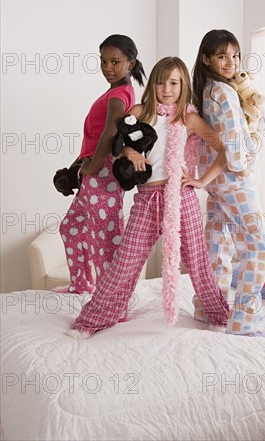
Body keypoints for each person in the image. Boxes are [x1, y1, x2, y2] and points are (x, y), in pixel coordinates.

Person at [66, 56, 229, 337]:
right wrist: (129, 152)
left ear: (183, 86)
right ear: (152, 84)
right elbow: (118, 143)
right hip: (147, 198)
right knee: (124, 263)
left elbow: (224, 150)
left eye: (174, 83)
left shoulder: (188, 118)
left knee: (197, 261)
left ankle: (219, 316)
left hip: (181, 197)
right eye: (161, 82)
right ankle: (92, 321)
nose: (167, 88)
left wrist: (201, 180)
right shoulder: (141, 111)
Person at [191, 29, 265, 336]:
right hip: (234, 180)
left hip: (215, 183)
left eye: (235, 55)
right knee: (259, 249)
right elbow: (234, 146)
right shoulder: (224, 93)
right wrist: (246, 163)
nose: (230, 62)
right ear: (206, 59)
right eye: (222, 56)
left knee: (218, 245)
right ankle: (244, 322)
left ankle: (209, 311)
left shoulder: (206, 90)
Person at [53, 34, 145, 294]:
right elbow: (93, 139)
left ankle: (111, 299)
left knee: (104, 241)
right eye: (103, 61)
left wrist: (92, 167)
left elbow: (110, 132)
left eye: (115, 62)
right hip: (93, 171)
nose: (107, 67)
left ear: (130, 62)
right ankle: (81, 285)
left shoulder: (119, 95)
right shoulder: (115, 92)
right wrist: (77, 167)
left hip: (102, 173)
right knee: (71, 227)